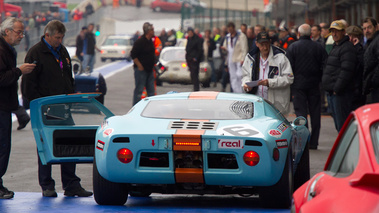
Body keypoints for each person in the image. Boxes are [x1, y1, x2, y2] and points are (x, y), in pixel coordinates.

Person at [22, 20, 93, 198]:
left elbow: (68, 76)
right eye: (57, 37)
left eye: (61, 37)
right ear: (47, 35)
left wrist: (71, 96)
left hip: (63, 106)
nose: (59, 41)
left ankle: (71, 185)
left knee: (68, 144)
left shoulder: (62, 51)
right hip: (44, 108)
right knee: (46, 147)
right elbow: (28, 85)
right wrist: (37, 105)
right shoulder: (35, 53)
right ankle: (47, 185)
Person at [0, 17, 35, 199]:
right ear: (7, 32)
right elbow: (2, 78)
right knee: (2, 147)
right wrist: (20, 71)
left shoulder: (7, 49)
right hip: (1, 107)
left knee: (3, 147)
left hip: (6, 105)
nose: (22, 36)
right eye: (18, 32)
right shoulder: (1, 50)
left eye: (23, 32)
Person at [286, 24, 328, 150]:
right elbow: (325, 65)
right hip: (314, 85)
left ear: (298, 34)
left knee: (301, 114)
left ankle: (303, 141)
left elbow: (288, 67)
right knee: (315, 113)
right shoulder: (319, 47)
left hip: (298, 85)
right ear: (310, 34)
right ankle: (314, 142)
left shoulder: (293, 47)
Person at [242, 31, 294, 115]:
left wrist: (270, 82)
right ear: (257, 44)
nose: (265, 47)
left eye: (266, 44)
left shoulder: (280, 57)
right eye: (262, 44)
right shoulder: (251, 57)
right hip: (257, 103)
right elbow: (245, 75)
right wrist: (246, 84)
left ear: (270, 42)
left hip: (276, 104)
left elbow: (289, 78)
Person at [322, 20, 357, 132]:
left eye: (337, 31)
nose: (334, 34)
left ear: (343, 32)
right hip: (332, 92)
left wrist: (337, 88)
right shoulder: (336, 46)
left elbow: (346, 70)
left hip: (340, 93)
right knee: (338, 124)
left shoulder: (347, 48)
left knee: (343, 126)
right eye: (332, 31)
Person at [131, 22, 156, 105]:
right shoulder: (140, 42)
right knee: (139, 90)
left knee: (151, 91)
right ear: (148, 31)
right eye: (152, 29)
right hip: (141, 70)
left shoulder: (150, 41)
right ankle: (135, 107)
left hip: (149, 70)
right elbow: (133, 54)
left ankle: (151, 108)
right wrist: (139, 65)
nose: (154, 31)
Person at [221, 22, 248, 93]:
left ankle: (242, 92)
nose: (230, 31)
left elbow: (244, 48)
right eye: (228, 29)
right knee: (233, 77)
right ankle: (236, 92)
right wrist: (224, 49)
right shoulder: (227, 37)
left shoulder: (241, 36)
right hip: (230, 58)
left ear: (234, 28)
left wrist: (243, 59)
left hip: (239, 58)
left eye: (231, 29)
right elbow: (226, 48)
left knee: (240, 76)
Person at [346, 25, 365, 109]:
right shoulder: (346, 48)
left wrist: (357, 47)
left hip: (357, 86)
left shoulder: (360, 49)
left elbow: (362, 63)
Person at [363, 17, 379, 103]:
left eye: (369, 27)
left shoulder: (377, 41)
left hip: (376, 87)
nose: (367, 31)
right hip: (372, 87)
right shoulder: (369, 43)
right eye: (364, 29)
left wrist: (373, 81)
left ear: (376, 27)